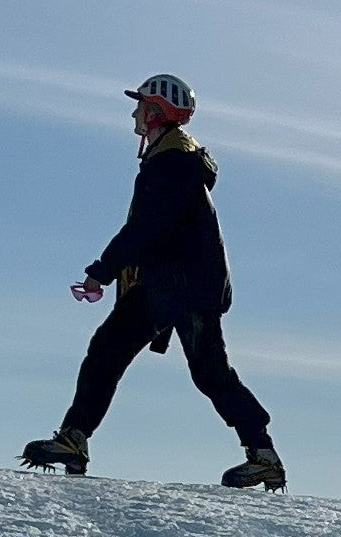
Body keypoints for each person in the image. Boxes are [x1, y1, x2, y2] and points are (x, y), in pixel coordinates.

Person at [21, 74, 285, 489]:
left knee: (201, 372)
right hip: (171, 284)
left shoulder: (172, 164)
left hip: (182, 286)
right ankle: (75, 437)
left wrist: (102, 270)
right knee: (115, 351)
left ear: (157, 113)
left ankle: (264, 454)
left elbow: (145, 227)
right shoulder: (172, 158)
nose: (134, 113)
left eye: (140, 105)